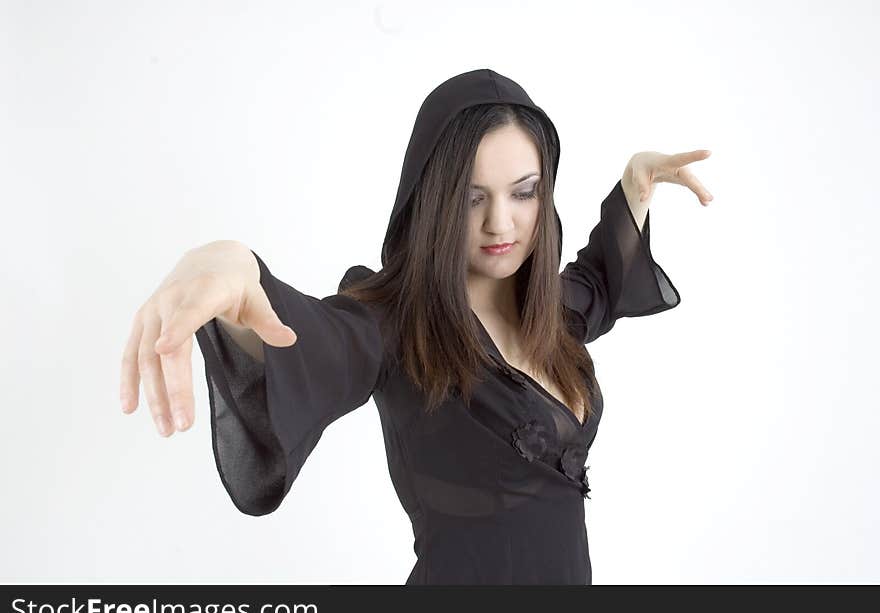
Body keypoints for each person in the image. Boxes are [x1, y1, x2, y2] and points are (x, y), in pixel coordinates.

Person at [120, 68, 713, 584]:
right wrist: (232, 268)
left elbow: (602, 279)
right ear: (435, 200)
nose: (500, 222)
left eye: (524, 192)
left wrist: (635, 188)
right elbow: (312, 338)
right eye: (471, 198)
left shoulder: (551, 312)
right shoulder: (395, 327)